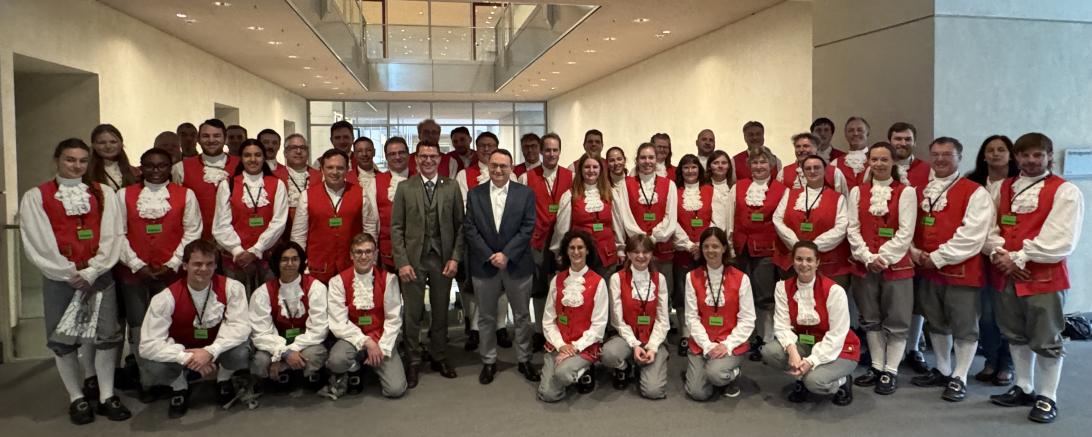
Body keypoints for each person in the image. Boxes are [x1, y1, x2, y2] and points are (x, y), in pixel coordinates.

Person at [19, 138, 130, 424]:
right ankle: (76, 397)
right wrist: (68, 272)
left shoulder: (103, 192)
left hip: (99, 274)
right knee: (63, 339)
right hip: (60, 278)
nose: (76, 165)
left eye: (82, 160)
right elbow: (37, 241)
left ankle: (106, 394)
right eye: (70, 159)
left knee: (106, 336)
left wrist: (94, 269)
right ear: (57, 159)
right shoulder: (36, 196)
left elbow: (113, 234)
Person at [984, 133, 1083, 424]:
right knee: (1015, 334)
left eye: (1038, 155)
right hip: (1007, 274)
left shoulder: (1065, 191)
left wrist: (1017, 258)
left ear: (1049, 156)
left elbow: (1060, 239)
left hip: (1043, 277)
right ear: (1016, 158)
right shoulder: (1002, 188)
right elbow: (989, 228)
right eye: (1025, 155)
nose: (1031, 161)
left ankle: (1047, 396)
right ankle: (1024, 387)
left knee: (1046, 338)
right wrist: (1000, 254)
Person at [909, 137, 993, 402]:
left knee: (964, 326)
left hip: (961, 271)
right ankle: (943, 369)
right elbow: (907, 226)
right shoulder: (921, 189)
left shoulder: (974, 191)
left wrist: (939, 257)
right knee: (936, 321)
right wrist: (914, 252)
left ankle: (960, 376)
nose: (941, 159)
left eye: (947, 154)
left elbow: (973, 235)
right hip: (928, 269)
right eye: (936, 154)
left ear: (959, 156)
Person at [116, 148, 202, 398]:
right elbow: (117, 234)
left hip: (172, 274)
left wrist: (173, 263)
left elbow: (192, 232)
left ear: (169, 168)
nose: (156, 171)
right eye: (150, 166)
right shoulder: (124, 195)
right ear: (140, 168)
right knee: (138, 328)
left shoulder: (186, 195)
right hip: (134, 274)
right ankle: (148, 380)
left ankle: (177, 381)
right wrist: (136, 265)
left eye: (162, 166)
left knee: (173, 326)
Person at [139, 240, 251, 418]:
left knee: (241, 350)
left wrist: (210, 351)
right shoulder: (164, 298)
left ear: (215, 265)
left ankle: (223, 378)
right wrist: (188, 357)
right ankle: (179, 386)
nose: (204, 269)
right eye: (197, 264)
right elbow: (148, 344)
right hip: (184, 349)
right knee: (152, 366)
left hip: (216, 346)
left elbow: (240, 327)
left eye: (209, 264)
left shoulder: (233, 288)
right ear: (185, 265)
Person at [390, 141, 465, 388]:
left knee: (441, 310)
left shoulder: (451, 186)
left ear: (440, 158)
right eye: (423, 156)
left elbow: (460, 226)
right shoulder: (404, 187)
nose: (428, 160)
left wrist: (455, 257)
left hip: (442, 259)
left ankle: (439, 356)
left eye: (433, 156)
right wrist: (401, 262)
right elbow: (397, 228)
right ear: (416, 159)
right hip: (413, 260)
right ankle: (413, 360)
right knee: (412, 313)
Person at [846, 142, 917, 395]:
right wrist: (866, 257)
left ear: (893, 163)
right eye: (874, 159)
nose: (878, 164)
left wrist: (882, 258)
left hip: (896, 268)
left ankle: (891, 370)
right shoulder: (857, 192)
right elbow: (852, 228)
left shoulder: (906, 192)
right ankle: (876, 366)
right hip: (865, 266)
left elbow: (905, 232)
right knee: (871, 318)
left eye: (884, 159)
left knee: (896, 320)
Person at [464, 149, 540, 384]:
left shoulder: (525, 194)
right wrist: (490, 255)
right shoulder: (475, 195)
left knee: (522, 316)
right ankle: (489, 361)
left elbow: (528, 227)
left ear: (511, 168)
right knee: (485, 317)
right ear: (487, 165)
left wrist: (506, 254)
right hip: (484, 265)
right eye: (494, 165)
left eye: (503, 166)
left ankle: (524, 359)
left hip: (516, 264)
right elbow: (470, 228)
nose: (498, 170)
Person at [762, 240, 857, 406]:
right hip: (805, 343)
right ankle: (801, 377)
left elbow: (837, 335)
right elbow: (782, 325)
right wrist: (793, 352)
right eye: (799, 259)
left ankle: (841, 380)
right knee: (770, 352)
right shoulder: (782, 287)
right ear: (793, 261)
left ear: (817, 262)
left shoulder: (834, 291)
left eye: (809, 260)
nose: (803, 264)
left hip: (838, 347)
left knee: (815, 383)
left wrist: (811, 361)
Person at [323, 234, 407, 399]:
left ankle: (369, 363)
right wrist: (367, 342)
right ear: (351, 255)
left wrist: (381, 347)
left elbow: (394, 319)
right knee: (336, 360)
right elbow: (338, 323)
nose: (363, 256)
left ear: (375, 254)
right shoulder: (337, 282)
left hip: (381, 338)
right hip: (352, 338)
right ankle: (354, 366)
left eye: (368, 252)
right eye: (358, 252)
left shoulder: (389, 279)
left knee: (395, 390)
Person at [966, 135, 1019, 386]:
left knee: (1007, 313)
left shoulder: (1021, 184)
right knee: (986, 314)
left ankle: (1007, 363)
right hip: (979, 256)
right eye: (990, 150)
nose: (996, 154)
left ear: (1011, 154)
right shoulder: (972, 183)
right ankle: (990, 359)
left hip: (1010, 257)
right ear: (983, 155)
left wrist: (1006, 254)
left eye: (1001, 149)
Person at [727, 147, 788, 361]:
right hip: (741, 249)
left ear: (771, 165)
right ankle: (746, 336)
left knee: (765, 296)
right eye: (755, 163)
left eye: (763, 162)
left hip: (767, 250)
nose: (759, 166)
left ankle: (766, 338)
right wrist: (730, 245)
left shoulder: (782, 190)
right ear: (749, 166)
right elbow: (730, 217)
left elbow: (781, 220)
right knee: (742, 295)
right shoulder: (738, 187)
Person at [454, 131, 512, 351]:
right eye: (482, 146)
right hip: (476, 240)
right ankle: (474, 329)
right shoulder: (463, 175)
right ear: (476, 149)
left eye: (491, 146)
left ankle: (500, 326)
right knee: (474, 287)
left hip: (503, 241)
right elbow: (463, 208)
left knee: (502, 287)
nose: (486, 149)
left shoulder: (509, 174)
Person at [248, 242, 329, 394]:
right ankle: (286, 373)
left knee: (315, 354)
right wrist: (283, 352)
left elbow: (319, 330)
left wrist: (290, 353)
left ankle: (284, 370)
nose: (290, 264)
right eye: (284, 259)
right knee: (259, 362)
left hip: (306, 344)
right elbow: (261, 333)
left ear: (301, 262)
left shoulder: (316, 287)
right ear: (277, 263)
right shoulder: (262, 293)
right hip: (274, 345)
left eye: (294, 259)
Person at [684, 227, 755, 401]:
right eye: (706, 246)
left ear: (724, 248)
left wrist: (727, 345)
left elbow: (748, 319)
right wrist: (707, 346)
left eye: (715, 246)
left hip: (730, 342)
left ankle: (731, 374)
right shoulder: (691, 277)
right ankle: (713, 370)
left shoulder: (741, 278)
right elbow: (691, 318)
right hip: (702, 343)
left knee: (716, 374)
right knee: (697, 393)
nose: (710, 251)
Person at [538, 230, 609, 402]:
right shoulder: (557, 280)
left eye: (580, 248)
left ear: (587, 250)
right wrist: (561, 345)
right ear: (566, 251)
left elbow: (599, 326)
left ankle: (583, 368)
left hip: (583, 346)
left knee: (562, 374)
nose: (576, 252)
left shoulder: (598, 282)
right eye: (572, 248)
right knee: (548, 395)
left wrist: (574, 348)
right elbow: (548, 319)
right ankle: (569, 370)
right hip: (559, 345)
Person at [518, 133, 572, 353]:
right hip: (537, 241)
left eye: (555, 150)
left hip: (565, 241)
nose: (551, 154)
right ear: (541, 152)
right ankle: (540, 332)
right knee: (539, 289)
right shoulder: (526, 177)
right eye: (547, 150)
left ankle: (562, 331)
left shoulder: (571, 176)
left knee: (563, 288)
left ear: (560, 151)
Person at [213, 139, 288, 292]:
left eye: (258, 155)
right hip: (236, 258)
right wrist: (237, 251)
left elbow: (279, 222)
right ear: (241, 158)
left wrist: (256, 250)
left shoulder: (277, 184)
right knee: (236, 302)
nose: (253, 159)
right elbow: (221, 223)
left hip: (268, 256)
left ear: (264, 157)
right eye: (247, 155)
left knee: (268, 300)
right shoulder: (228, 184)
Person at [601, 234, 670, 398]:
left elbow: (663, 319)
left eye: (646, 252)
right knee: (608, 354)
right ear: (629, 254)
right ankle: (625, 366)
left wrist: (652, 346)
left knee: (653, 391)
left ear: (652, 254)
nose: (641, 256)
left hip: (653, 337)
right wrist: (635, 345)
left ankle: (649, 360)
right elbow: (617, 320)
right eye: (635, 252)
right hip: (626, 338)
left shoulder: (660, 279)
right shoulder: (616, 279)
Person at [291, 149, 375, 283]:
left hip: (352, 266)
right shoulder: (307, 195)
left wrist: (371, 260)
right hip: (317, 267)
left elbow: (370, 229)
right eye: (330, 167)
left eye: (340, 168)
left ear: (347, 169)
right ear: (322, 169)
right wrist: (297, 263)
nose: (335, 172)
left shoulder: (361, 193)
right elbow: (298, 234)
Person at [617, 143, 678, 315]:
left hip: (662, 249)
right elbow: (625, 216)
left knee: (662, 293)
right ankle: (636, 332)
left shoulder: (669, 185)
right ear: (636, 160)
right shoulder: (625, 184)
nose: (647, 161)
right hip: (636, 250)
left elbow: (670, 218)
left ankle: (661, 335)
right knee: (635, 292)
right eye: (643, 157)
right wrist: (642, 240)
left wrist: (654, 238)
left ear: (656, 159)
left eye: (651, 157)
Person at [671, 154, 723, 356]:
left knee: (707, 292)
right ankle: (685, 335)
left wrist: (702, 244)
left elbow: (716, 220)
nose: (690, 171)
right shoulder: (675, 192)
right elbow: (672, 221)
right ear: (681, 171)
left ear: (699, 170)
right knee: (683, 295)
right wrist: (688, 244)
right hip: (683, 251)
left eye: (694, 167)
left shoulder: (710, 191)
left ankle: (707, 334)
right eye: (686, 168)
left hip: (707, 252)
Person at [772, 155, 851, 286]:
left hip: (827, 264)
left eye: (817, 168)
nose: (812, 171)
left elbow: (841, 227)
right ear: (803, 172)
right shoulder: (790, 194)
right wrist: (795, 244)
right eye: (808, 168)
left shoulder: (838, 198)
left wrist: (813, 248)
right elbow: (777, 219)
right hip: (792, 263)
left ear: (824, 170)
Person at [551, 153, 626, 277]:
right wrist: (559, 251)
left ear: (601, 170)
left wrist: (620, 248)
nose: (591, 170)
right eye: (587, 167)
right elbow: (562, 228)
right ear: (580, 170)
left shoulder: (611, 193)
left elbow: (617, 224)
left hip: (607, 254)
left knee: (605, 292)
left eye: (595, 167)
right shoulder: (570, 195)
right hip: (579, 254)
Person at [172, 118, 240, 241]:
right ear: (198, 139)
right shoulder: (180, 168)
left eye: (217, 136)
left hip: (236, 240)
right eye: (205, 136)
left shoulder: (241, 165)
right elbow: (176, 209)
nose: (211, 140)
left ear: (225, 139)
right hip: (197, 240)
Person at [365, 137, 412, 270]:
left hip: (416, 255)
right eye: (392, 154)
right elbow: (371, 223)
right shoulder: (375, 182)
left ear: (408, 154)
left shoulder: (419, 179)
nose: (397, 157)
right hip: (386, 255)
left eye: (401, 152)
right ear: (386, 157)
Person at [273, 133, 322, 242]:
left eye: (303, 148)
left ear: (308, 152)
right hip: (282, 232)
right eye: (293, 148)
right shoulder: (274, 176)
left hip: (313, 231)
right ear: (285, 152)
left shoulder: (320, 176)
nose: (299, 151)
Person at [779, 132, 847, 195]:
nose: (801, 150)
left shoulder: (834, 172)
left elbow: (843, 198)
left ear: (817, 148)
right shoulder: (783, 173)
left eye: (806, 146)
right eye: (798, 147)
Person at [89, 124, 141, 191]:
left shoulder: (135, 172)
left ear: (121, 144)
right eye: (102, 142)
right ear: (93, 145)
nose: (108, 146)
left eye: (113, 142)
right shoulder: (86, 173)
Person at [886, 122, 931, 188]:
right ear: (889, 142)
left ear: (914, 142)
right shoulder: (878, 168)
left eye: (908, 139)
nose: (903, 143)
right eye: (898, 139)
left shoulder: (928, 169)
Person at [831, 116, 871, 188]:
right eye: (851, 130)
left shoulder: (877, 160)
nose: (855, 133)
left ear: (867, 133)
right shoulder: (835, 164)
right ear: (846, 135)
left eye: (860, 130)